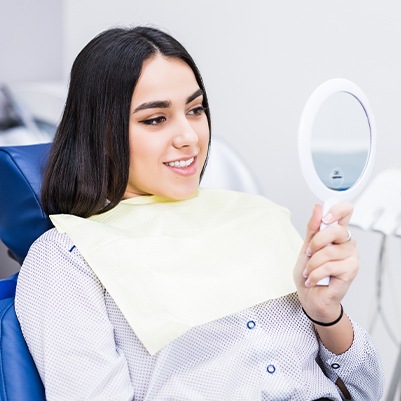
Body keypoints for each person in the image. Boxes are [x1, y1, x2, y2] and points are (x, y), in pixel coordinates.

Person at [15, 26, 384, 401]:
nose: (189, 136)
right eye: (155, 119)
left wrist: (325, 313)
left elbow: (366, 391)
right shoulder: (67, 259)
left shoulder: (258, 216)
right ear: (102, 133)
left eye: (195, 109)